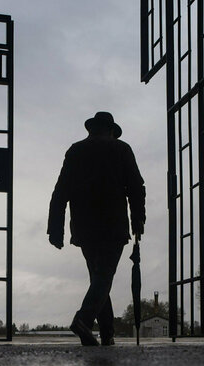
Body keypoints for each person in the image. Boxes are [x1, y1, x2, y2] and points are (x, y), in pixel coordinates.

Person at [48, 111, 146, 346]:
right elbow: (135, 187)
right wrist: (138, 220)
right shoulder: (121, 149)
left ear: (91, 129)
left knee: (99, 277)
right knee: (104, 277)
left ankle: (107, 333)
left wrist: (55, 228)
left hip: (84, 226)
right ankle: (83, 319)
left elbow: (61, 191)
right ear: (111, 130)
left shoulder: (75, 150)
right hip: (113, 224)